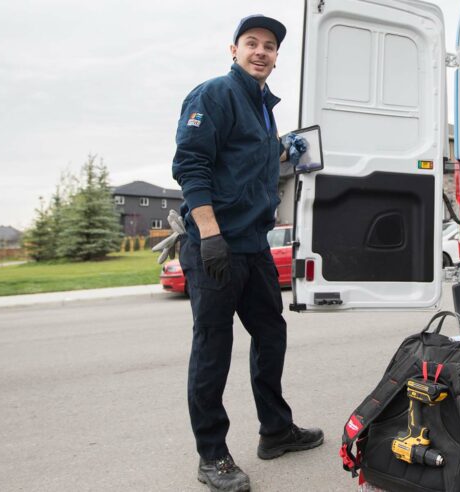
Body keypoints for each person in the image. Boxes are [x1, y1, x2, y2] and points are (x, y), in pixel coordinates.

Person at [171, 14, 322, 492]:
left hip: (254, 245)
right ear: (233, 50)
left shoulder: (262, 107)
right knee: (213, 350)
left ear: (277, 58)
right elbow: (191, 164)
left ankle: (275, 430)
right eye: (252, 43)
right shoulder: (213, 94)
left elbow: (245, 161)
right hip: (216, 247)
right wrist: (209, 233)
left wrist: (285, 151)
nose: (261, 51)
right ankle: (212, 455)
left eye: (270, 46)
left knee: (271, 336)